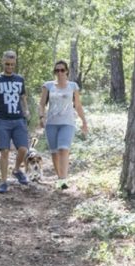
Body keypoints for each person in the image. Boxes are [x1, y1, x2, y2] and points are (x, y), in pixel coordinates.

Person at [0, 50, 30, 193]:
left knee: (23, 149)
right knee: (4, 151)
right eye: (7, 64)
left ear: (15, 63)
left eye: (12, 64)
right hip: (2, 120)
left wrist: (26, 110)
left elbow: (23, 97)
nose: (10, 66)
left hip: (18, 120)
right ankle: (3, 182)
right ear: (3, 62)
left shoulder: (20, 79)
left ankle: (16, 170)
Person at [38, 60, 89, 190]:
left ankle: (63, 179)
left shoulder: (73, 86)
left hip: (68, 123)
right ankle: (59, 177)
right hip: (51, 123)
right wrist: (41, 117)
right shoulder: (48, 85)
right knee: (54, 153)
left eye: (62, 70)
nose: (59, 73)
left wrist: (84, 121)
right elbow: (42, 104)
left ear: (66, 71)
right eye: (57, 70)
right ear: (54, 72)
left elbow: (77, 105)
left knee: (63, 149)